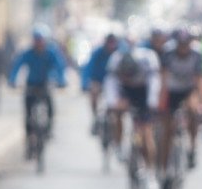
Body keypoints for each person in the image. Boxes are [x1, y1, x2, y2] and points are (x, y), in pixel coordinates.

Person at [104, 44, 161, 189]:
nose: (128, 78)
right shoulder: (115, 61)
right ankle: (119, 144)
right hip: (125, 92)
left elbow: (154, 85)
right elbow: (110, 84)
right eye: (125, 76)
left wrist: (152, 104)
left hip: (143, 92)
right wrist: (113, 104)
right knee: (116, 114)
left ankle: (150, 172)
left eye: (130, 76)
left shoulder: (148, 61)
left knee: (146, 134)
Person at [158, 27, 202, 189]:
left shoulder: (197, 53)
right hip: (171, 90)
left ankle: (193, 147)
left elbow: (200, 81)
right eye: (180, 44)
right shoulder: (168, 52)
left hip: (189, 89)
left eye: (186, 44)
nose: (183, 48)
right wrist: (161, 104)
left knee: (194, 110)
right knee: (167, 131)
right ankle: (165, 171)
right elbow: (163, 79)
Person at [7, 25, 68, 153]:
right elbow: (17, 66)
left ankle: (48, 130)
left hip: (45, 84)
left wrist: (61, 81)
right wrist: (12, 80)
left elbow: (59, 67)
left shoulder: (51, 53)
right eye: (36, 41)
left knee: (50, 108)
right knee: (28, 113)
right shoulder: (28, 53)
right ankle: (29, 138)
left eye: (41, 41)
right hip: (31, 85)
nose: (39, 44)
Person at [81, 32, 124, 133]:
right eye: (109, 42)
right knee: (93, 94)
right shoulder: (97, 53)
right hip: (99, 80)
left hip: (114, 83)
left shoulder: (120, 53)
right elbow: (88, 68)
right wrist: (84, 83)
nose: (111, 45)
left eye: (113, 43)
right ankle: (95, 118)